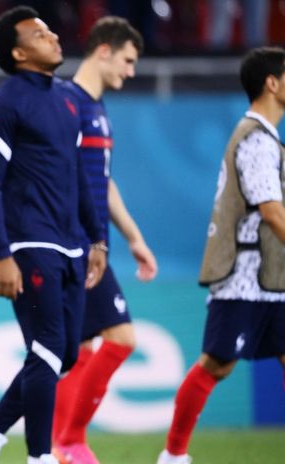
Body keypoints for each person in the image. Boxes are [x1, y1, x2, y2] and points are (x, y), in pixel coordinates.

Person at [0, 6, 107, 464]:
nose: (54, 36)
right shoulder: (2, 103)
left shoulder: (69, 100)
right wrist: (2, 253)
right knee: (47, 348)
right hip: (29, 244)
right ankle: (39, 457)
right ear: (19, 53)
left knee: (65, 356)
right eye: (40, 34)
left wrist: (97, 239)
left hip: (73, 242)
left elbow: (79, 175)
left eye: (49, 29)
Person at [157, 46, 285, 464]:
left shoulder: (265, 136)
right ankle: (173, 455)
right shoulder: (256, 138)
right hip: (245, 274)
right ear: (272, 82)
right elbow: (271, 210)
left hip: (272, 273)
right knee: (217, 363)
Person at [50, 17, 158, 464]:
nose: (131, 72)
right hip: (77, 245)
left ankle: (59, 445)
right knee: (121, 337)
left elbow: (103, 181)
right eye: (128, 61)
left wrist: (133, 237)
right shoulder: (66, 103)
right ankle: (68, 441)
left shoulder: (96, 108)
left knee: (78, 351)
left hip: (97, 244)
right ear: (103, 50)